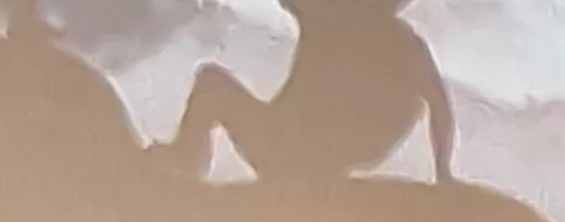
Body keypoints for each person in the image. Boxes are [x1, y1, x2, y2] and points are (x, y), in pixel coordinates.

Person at [164, 0, 458, 186]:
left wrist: (444, 170)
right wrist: (443, 171)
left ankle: (184, 164)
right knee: (212, 84)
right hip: (305, 150)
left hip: (288, 147)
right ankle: (184, 165)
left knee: (211, 84)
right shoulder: (401, 42)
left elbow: (439, 107)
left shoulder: (335, 20)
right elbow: (439, 107)